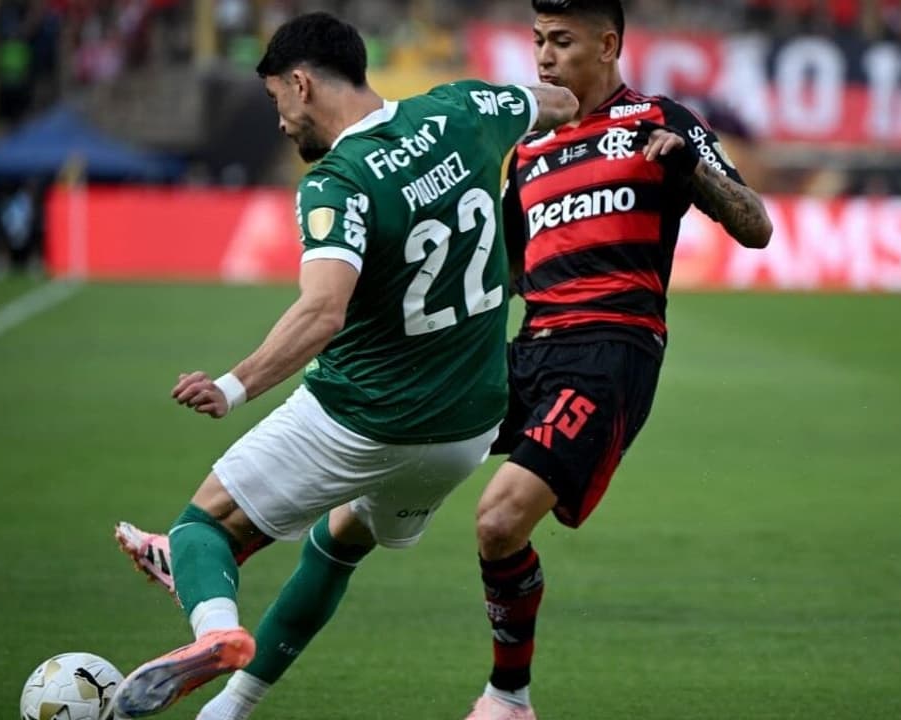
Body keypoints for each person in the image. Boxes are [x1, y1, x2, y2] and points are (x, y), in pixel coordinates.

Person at [109, 12, 577, 719]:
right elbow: (560, 104)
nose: (279, 124)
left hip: (367, 417)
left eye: (275, 102)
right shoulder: (462, 108)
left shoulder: (339, 181)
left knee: (202, 525)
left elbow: (322, 312)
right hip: (466, 432)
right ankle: (227, 709)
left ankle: (212, 624)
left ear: (301, 84)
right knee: (343, 535)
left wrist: (233, 386)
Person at [463, 2, 773, 718]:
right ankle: (223, 547)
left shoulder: (661, 121)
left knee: (498, 521)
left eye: (561, 42)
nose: (543, 56)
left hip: (608, 354)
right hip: (527, 351)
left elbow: (755, 226)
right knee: (383, 455)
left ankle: (508, 697)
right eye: (537, 40)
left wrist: (694, 170)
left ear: (607, 45)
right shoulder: (531, 148)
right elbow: (504, 272)